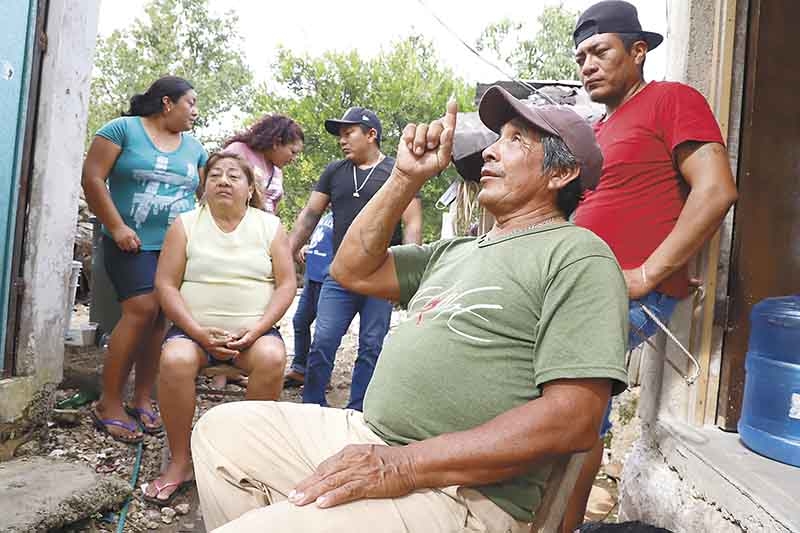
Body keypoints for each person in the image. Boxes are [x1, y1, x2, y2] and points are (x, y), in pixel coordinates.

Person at [190, 88, 630, 532]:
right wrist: (404, 176)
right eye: (497, 137)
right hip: (373, 439)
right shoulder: (455, 251)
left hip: (461, 492)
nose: (490, 151)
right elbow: (352, 269)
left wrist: (402, 466)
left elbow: (574, 419)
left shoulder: (579, 255)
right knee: (221, 433)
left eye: (515, 140)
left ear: (563, 173)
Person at [564, 2, 739, 531]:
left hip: (631, 293)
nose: (586, 65)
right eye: (579, 57)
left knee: (565, 401)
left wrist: (644, 274)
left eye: (600, 51)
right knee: (563, 406)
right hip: (585, 289)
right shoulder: (597, 127)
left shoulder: (671, 100)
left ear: (638, 52)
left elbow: (716, 190)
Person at [141, 152, 296, 505]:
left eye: (233, 176)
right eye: (215, 176)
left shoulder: (269, 227)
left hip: (253, 334)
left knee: (273, 357)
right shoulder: (186, 224)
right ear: (204, 186)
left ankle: (243, 457)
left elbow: (287, 284)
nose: (223, 181)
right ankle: (181, 462)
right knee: (176, 359)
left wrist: (257, 330)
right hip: (193, 333)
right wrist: (196, 331)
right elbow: (166, 284)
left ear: (249, 188)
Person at [81, 76, 208, 443]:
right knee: (141, 309)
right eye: (191, 103)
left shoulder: (195, 148)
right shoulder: (121, 130)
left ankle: (141, 398)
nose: (195, 112)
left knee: (159, 319)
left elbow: (203, 196)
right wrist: (117, 227)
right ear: (167, 103)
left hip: (174, 247)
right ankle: (108, 403)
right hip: (129, 243)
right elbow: (92, 178)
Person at [287, 107, 423, 411]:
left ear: (371, 134)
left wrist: (409, 274)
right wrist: (283, 257)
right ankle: (312, 407)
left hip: (383, 274)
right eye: (341, 136)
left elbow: (412, 223)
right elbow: (309, 216)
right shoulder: (334, 172)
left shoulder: (397, 172)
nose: (342, 141)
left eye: (349, 134)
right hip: (341, 272)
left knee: (372, 345)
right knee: (323, 341)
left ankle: (358, 410)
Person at [284, 211, 334, 388]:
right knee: (300, 321)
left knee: (325, 332)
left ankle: (321, 376)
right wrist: (306, 248)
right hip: (312, 278)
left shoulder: (348, 215)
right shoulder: (325, 216)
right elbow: (320, 240)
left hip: (328, 281)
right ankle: (299, 368)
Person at [222, 114, 304, 214]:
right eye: (293, 152)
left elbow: (273, 207)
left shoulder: (277, 172)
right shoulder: (239, 151)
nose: (293, 159)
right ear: (276, 143)